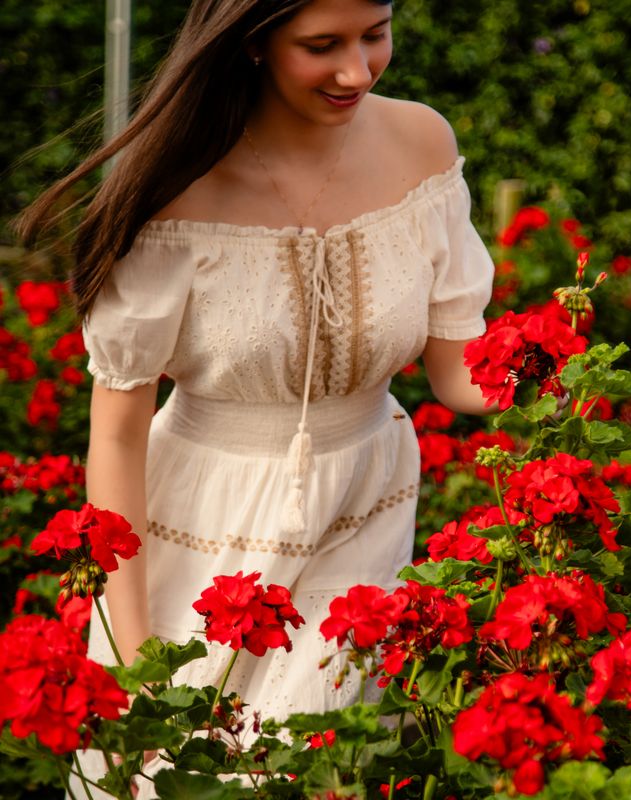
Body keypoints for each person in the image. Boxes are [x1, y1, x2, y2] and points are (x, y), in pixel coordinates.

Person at [19, 0, 496, 795]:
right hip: (204, 523)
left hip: (366, 505)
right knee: (186, 770)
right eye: (322, 46)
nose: (357, 70)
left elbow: (458, 374)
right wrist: (134, 645)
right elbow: (117, 437)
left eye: (375, 34)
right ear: (250, 44)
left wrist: (557, 376)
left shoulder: (421, 142)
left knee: (317, 761)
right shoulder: (174, 195)